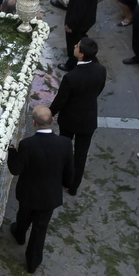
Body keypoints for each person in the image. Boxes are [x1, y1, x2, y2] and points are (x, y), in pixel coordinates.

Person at [7, 105, 74, 274]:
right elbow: (69, 170)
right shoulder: (65, 144)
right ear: (52, 121)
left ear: (34, 123)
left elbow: (15, 169)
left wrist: (11, 151)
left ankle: (20, 234)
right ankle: (33, 262)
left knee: (23, 217)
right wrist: (67, 184)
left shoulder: (27, 145)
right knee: (40, 229)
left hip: (28, 193)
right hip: (49, 196)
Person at [52, 37, 107, 197]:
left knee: (65, 150)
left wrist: (49, 114)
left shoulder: (71, 77)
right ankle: (73, 186)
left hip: (69, 119)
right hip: (88, 119)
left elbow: (60, 100)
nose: (74, 47)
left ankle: (63, 180)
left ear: (81, 54)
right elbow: (99, 90)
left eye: (77, 46)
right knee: (81, 154)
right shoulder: (101, 70)